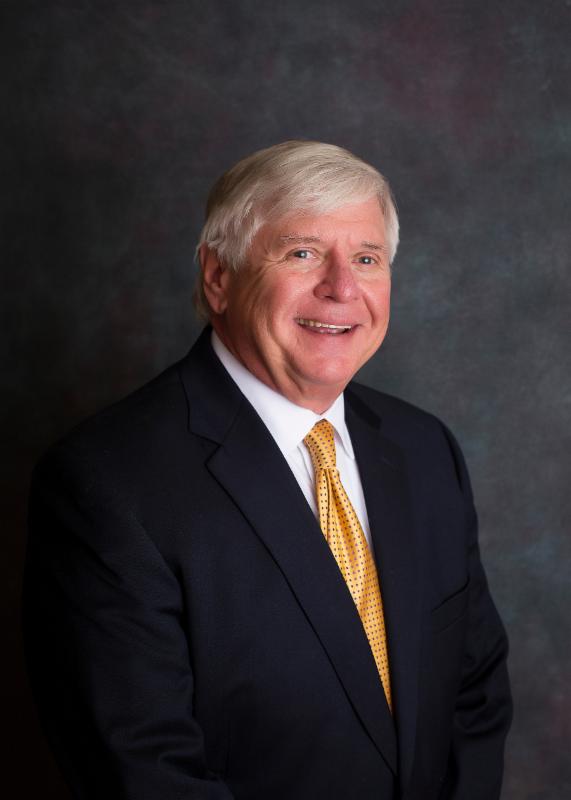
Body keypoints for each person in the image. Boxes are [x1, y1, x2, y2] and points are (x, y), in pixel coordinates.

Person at [24, 140, 512, 800]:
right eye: (302, 253)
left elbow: (475, 697)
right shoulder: (107, 482)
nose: (342, 288)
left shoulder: (425, 449)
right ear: (218, 277)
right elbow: (143, 768)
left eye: (366, 258)